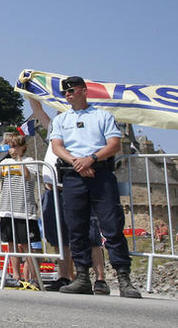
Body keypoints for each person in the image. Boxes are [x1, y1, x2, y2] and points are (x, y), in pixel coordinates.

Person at [50, 76, 141, 298]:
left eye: (71, 91)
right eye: (65, 93)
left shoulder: (102, 116)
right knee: (76, 227)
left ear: (84, 90)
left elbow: (114, 144)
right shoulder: (61, 119)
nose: (68, 95)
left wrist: (90, 159)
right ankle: (82, 276)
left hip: (100, 173)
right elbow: (56, 146)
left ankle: (123, 277)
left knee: (112, 226)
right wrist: (77, 163)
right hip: (73, 174)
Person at [29, 98, 110, 294]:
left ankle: (100, 279)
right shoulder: (54, 128)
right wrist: (29, 92)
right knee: (60, 237)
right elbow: (38, 110)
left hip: (74, 188)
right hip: (52, 190)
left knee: (90, 236)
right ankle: (64, 276)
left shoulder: (80, 130)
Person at [0, 133, 40, 284]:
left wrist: (18, 159)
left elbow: (28, 176)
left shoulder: (29, 161)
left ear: (23, 147)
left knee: (26, 245)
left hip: (24, 210)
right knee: (11, 245)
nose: (12, 150)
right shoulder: (5, 162)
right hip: (7, 208)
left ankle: (33, 278)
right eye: (10, 147)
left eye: (15, 147)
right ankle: (16, 276)